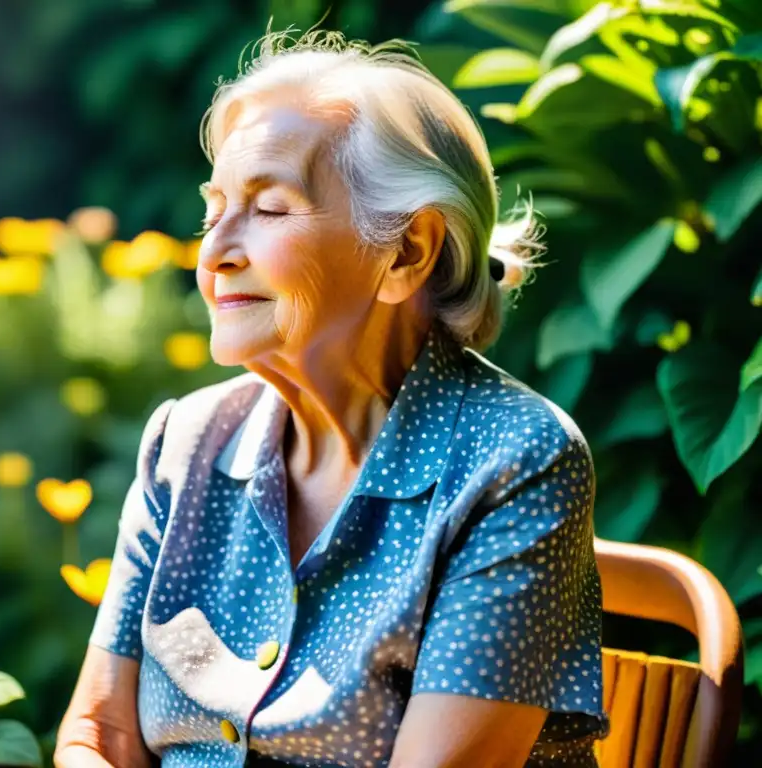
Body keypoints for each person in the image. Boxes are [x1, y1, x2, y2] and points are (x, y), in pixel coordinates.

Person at [55, 27, 610, 768]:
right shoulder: (183, 442)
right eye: (213, 206)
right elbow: (100, 736)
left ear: (406, 252)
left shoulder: (514, 462)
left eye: (271, 208)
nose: (215, 250)